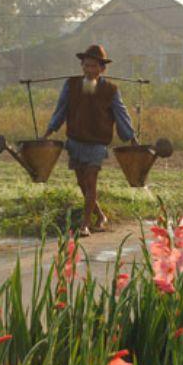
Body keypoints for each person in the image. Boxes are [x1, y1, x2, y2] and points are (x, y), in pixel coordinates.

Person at [43, 44, 138, 236]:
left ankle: (85, 225)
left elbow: (121, 114)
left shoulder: (111, 90)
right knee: (81, 183)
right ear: (82, 66)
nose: (89, 70)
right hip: (76, 141)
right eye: (86, 66)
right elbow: (60, 109)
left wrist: (131, 138)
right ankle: (101, 216)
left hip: (97, 143)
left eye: (94, 66)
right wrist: (49, 131)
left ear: (102, 69)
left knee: (90, 181)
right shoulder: (71, 85)